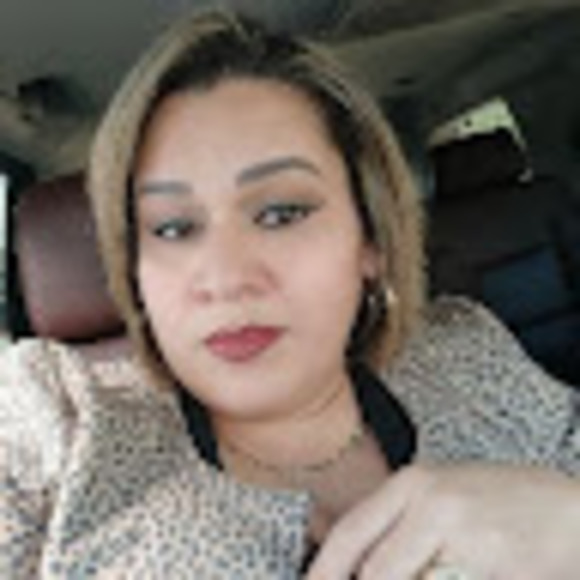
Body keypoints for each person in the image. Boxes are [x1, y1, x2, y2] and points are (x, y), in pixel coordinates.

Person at [1, 9, 580, 579]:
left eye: (281, 214)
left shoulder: (469, 359)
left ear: (371, 238)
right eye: (172, 229)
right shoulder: (57, 424)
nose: (226, 278)